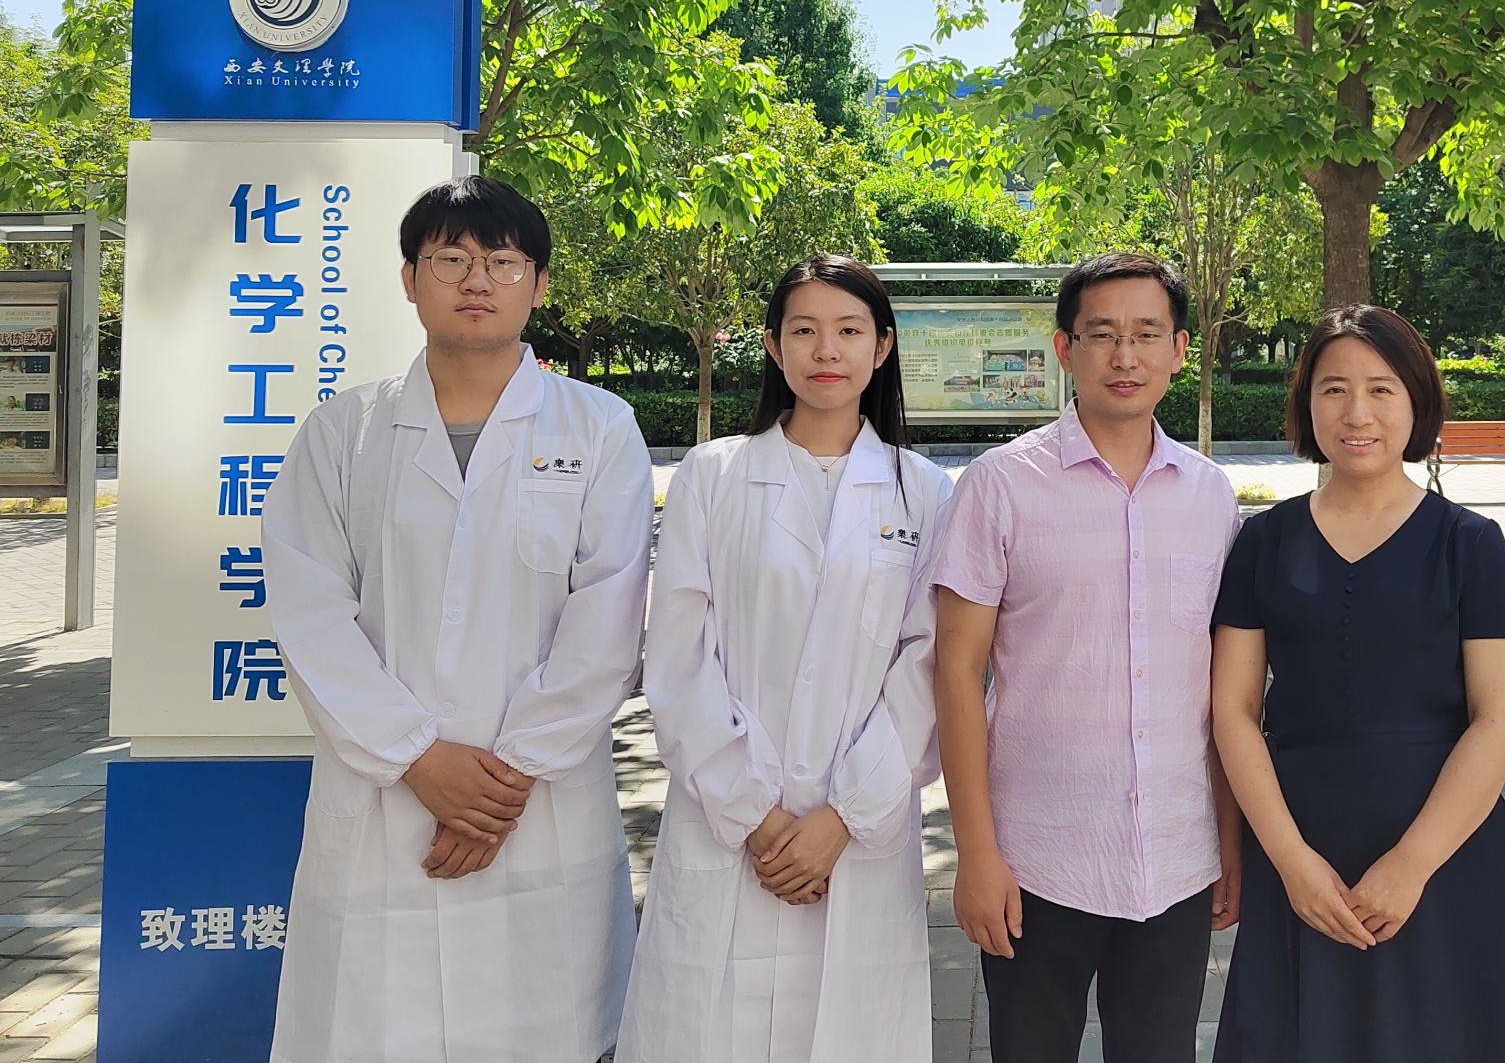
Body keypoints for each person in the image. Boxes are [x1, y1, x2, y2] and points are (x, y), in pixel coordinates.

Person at [262, 177, 653, 1063]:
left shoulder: (598, 428)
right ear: (410, 278)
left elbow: (609, 614)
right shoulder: (343, 432)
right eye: (451, 259)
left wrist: (502, 783)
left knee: (543, 1031)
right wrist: (417, 757)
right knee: (373, 1033)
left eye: (503, 262)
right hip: (387, 798)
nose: (477, 281)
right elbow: (309, 610)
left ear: (539, 285)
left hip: (536, 805)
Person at [617, 255, 953, 1063]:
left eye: (849, 331)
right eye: (804, 330)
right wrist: (757, 817)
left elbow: (929, 666)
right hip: (728, 825)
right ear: (772, 345)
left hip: (859, 838)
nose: (826, 350)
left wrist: (842, 819)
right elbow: (679, 659)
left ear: (883, 346)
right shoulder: (713, 476)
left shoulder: (927, 492)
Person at [1210, 306, 1505, 1063]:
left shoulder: (1471, 543)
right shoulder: (1262, 540)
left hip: (1447, 849)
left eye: (1381, 389)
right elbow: (1233, 709)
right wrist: (1289, 860)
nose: (1357, 413)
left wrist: (1411, 863)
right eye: (1333, 389)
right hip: (1302, 846)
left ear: (1417, 401)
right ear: (1306, 405)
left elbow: (1500, 721)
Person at [933, 252, 1242, 1063]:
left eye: (1147, 334)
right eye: (1102, 334)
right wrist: (976, 853)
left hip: (1176, 857)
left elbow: (1224, 692)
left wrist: (1229, 840)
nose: (1124, 355)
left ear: (1180, 350)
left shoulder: (1211, 497)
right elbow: (957, 670)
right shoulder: (1000, 484)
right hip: (1036, 858)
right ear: (1065, 349)